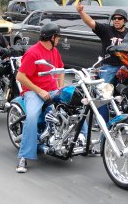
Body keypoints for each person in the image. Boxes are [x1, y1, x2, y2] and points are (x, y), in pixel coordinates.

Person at [15, 22, 86, 173]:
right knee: (32, 117)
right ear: (52, 37)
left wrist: (60, 87)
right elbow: (20, 76)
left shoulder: (54, 51)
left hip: (52, 90)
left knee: (77, 105)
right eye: (58, 36)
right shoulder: (33, 53)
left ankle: (82, 141)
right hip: (33, 92)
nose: (59, 39)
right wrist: (39, 91)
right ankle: (24, 156)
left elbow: (61, 69)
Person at [76, 3, 128, 123]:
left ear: (124, 20)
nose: (116, 20)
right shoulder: (107, 30)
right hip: (110, 66)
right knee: (102, 92)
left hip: (127, 66)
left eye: (119, 18)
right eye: (114, 18)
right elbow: (91, 22)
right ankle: (103, 122)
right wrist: (81, 12)